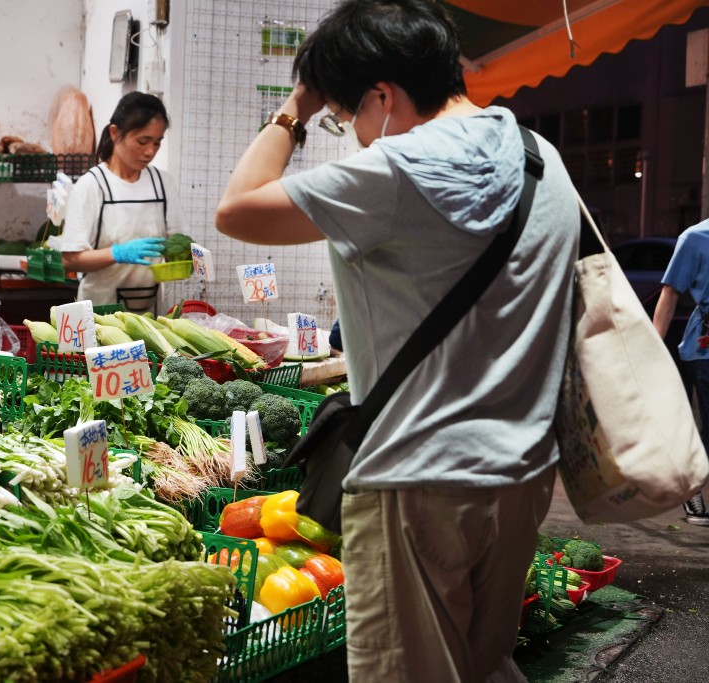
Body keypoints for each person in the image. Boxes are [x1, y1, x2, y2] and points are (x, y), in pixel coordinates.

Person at [214, 1, 580, 680]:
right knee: (487, 664)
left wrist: (293, 108)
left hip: (418, 482)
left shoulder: (392, 170)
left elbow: (236, 207)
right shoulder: (541, 159)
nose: (350, 133)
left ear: (382, 96)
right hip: (523, 472)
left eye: (344, 115)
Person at [61, 92, 187, 312]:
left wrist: (187, 258)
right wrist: (116, 253)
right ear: (115, 133)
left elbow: (178, 242)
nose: (150, 151)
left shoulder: (162, 183)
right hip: (100, 312)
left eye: (157, 143)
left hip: (150, 312)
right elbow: (70, 260)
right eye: (143, 141)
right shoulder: (91, 185)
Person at [653, 224, 709, 526]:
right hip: (705, 349)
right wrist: (651, 346)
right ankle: (692, 488)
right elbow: (670, 292)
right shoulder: (695, 238)